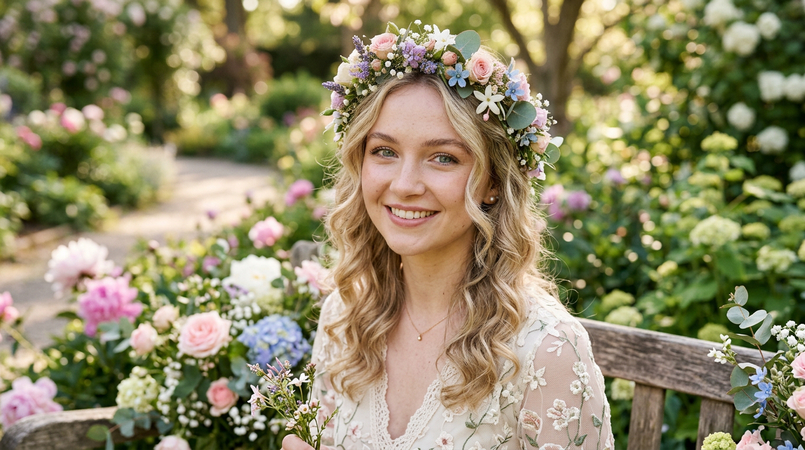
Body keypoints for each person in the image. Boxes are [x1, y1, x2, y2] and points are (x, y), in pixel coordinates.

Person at [284, 22, 613, 450]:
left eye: (442, 158)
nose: (404, 184)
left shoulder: (545, 349)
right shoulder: (345, 317)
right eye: (384, 151)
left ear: (493, 181)